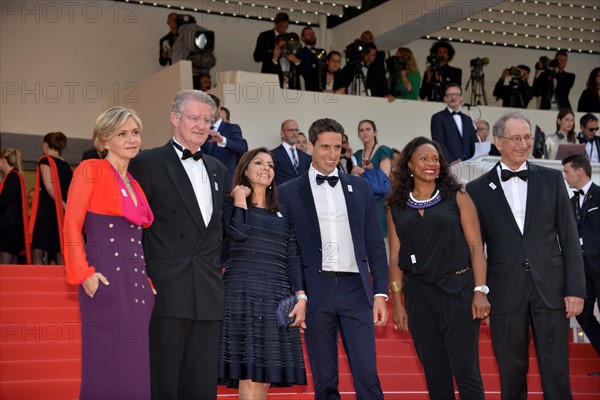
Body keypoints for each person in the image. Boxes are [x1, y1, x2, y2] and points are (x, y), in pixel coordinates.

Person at [466, 111, 585, 400]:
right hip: (504, 290)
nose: (523, 144)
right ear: (497, 141)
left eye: (527, 137)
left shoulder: (553, 179)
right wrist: (478, 290)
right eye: (515, 138)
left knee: (557, 372)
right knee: (511, 373)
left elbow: (569, 237)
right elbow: (474, 247)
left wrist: (575, 289)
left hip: (551, 288)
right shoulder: (476, 190)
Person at [278, 118, 388, 400]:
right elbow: (289, 248)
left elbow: (375, 244)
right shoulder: (289, 191)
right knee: (325, 379)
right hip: (316, 291)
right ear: (311, 146)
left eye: (337, 147)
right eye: (325, 147)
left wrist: (380, 293)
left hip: (355, 290)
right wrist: (299, 294)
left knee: (367, 374)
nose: (331, 154)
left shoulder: (360, 187)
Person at [128, 90, 227, 400]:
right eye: (194, 117)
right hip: (166, 287)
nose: (201, 125)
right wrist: (139, 276)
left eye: (207, 120)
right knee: (164, 379)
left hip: (208, 290)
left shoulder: (218, 169)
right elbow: (135, 228)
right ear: (175, 118)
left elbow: (216, 230)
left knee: (202, 382)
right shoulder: (146, 163)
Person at [387, 136, 489, 400]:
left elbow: (476, 246)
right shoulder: (396, 207)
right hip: (418, 295)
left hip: (458, 291)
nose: (430, 164)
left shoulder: (457, 196)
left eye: (435, 159)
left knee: (466, 370)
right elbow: (395, 256)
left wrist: (480, 290)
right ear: (409, 164)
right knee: (435, 372)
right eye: (423, 158)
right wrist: (397, 302)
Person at [63, 106, 155, 399]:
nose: (132, 139)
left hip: (137, 286)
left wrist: (148, 282)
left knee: (135, 371)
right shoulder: (91, 170)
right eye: (122, 134)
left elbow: (137, 239)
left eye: (136, 133)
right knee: (105, 368)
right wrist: (84, 274)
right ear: (104, 141)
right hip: (103, 279)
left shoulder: (135, 184)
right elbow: (71, 225)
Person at [218, 147, 307, 399]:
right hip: (241, 294)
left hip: (276, 295)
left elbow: (292, 255)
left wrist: (301, 296)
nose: (266, 168)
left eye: (270, 164)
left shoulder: (283, 210)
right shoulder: (231, 203)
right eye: (258, 162)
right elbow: (238, 233)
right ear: (244, 169)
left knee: (266, 377)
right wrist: (239, 198)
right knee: (249, 375)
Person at [562, 154, 600, 362]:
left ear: (579, 171)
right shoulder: (570, 201)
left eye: (567, 171)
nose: (565, 177)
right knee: (583, 314)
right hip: (581, 269)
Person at [28, 131, 73, 265]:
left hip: (47, 209)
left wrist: (63, 205)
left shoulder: (45, 160)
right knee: (58, 246)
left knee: (38, 248)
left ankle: (37, 283)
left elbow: (49, 188)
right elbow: (69, 190)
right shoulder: (66, 166)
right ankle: (60, 284)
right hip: (61, 211)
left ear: (45, 145)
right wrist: (66, 206)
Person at [352, 119, 392, 237]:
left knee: (379, 239)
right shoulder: (357, 154)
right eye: (361, 130)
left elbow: (384, 180)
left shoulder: (382, 150)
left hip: (379, 202)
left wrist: (362, 171)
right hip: (361, 202)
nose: (365, 133)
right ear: (358, 134)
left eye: (368, 129)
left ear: (375, 132)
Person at [201, 95, 248, 192]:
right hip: (205, 185)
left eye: (210, 109)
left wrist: (222, 140)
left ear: (218, 109)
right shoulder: (200, 130)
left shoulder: (231, 128)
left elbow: (241, 148)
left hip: (227, 185)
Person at [430, 83, 478, 165]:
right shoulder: (438, 117)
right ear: (445, 98)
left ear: (461, 97)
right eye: (449, 95)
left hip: (468, 165)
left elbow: (473, 142)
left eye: (456, 95)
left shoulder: (468, 119)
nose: (453, 98)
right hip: (448, 165)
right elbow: (438, 142)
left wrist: (477, 158)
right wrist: (451, 161)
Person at [0, 148, 28, 264]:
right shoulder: (15, 176)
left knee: (5, 264)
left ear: (4, 161)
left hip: (9, 226)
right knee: (12, 262)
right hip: (12, 225)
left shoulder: (12, 177)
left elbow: (3, 201)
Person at [271, 119, 311, 187]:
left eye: (296, 130)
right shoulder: (273, 154)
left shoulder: (306, 157)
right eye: (290, 130)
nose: (294, 133)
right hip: (281, 195)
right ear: (282, 134)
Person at [297, 27, 325, 92]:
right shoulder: (301, 53)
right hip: (310, 88)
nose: (312, 36)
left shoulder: (321, 51)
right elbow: (305, 71)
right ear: (302, 38)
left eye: (313, 34)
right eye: (309, 34)